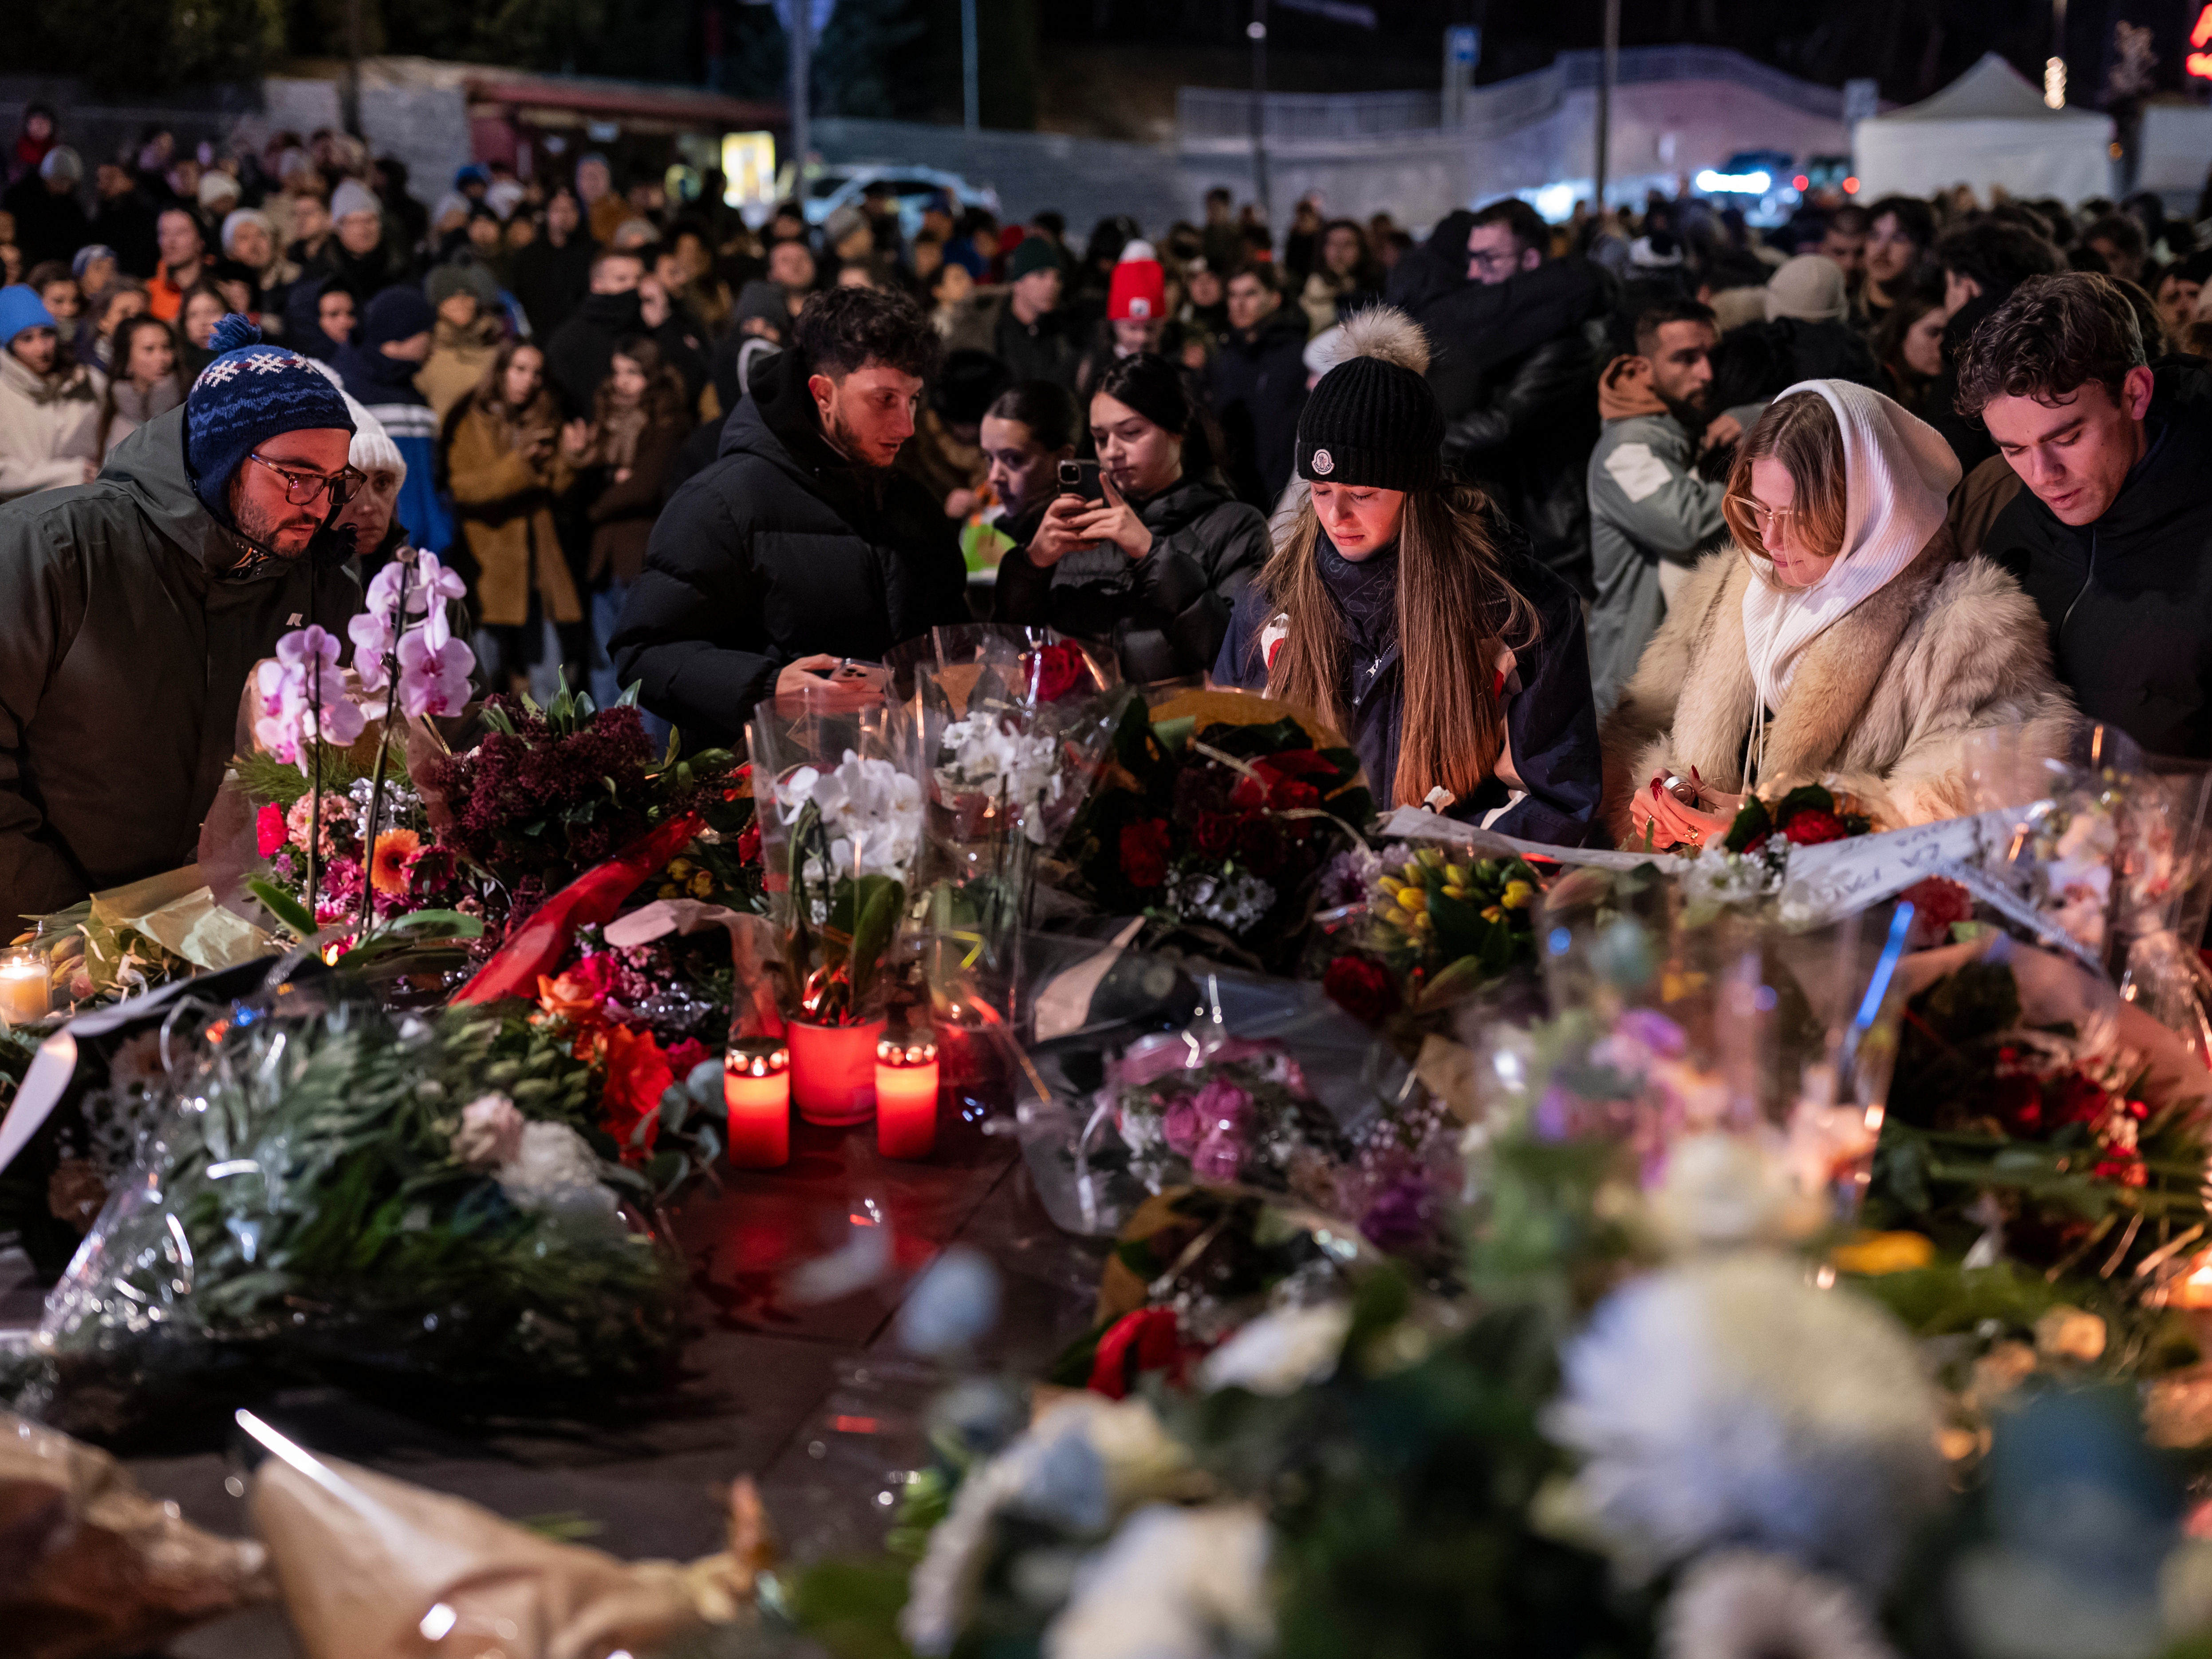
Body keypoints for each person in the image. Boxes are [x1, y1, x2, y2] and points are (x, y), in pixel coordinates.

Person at [1601, 381, 2071, 847]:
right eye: (1760, 509)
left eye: (1795, 514)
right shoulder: (1717, 589)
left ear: (1870, 502)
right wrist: (1664, 798)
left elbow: (1970, 813)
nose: (1768, 541)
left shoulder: (1971, 631)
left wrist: (1785, 832)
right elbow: (1640, 732)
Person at [0, 314, 360, 919]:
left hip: (234, 932)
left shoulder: (318, 582)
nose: (320, 507)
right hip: (50, 937)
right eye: (298, 477)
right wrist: (60, 921)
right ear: (222, 459)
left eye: (336, 481)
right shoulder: (50, 549)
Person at [1214, 308, 1602, 845]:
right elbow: (1226, 774)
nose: (1335, 516)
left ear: (1415, 490)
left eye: (1364, 493)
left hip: (1443, 902)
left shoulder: (1519, 615)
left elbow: (1556, 802)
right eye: (1320, 492)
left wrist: (1420, 861)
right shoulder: (1268, 610)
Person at [609, 285, 970, 746]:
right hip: (768, 792)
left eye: (913, 400)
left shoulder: (912, 502)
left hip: (900, 779)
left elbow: (951, 642)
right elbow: (642, 650)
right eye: (884, 400)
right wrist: (765, 687)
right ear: (823, 393)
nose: (906, 426)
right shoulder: (722, 502)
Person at [1958, 273, 2212, 759]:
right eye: (2013, 449)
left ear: (2135, 394)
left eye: (2067, 438)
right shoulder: (2015, 526)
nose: (2042, 475)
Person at [998, 352, 1265, 680]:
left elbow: (1242, 663)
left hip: (1181, 723)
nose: (1112, 451)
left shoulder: (1234, 525)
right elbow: (1008, 648)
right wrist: (1032, 564)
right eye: (1100, 438)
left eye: (1131, 432)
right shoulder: (1077, 518)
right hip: (1079, 723)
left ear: (1176, 431)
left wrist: (1152, 555)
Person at [1432, 196, 1611, 598]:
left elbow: (1504, 422)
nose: (1473, 273)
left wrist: (1422, 441)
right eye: (1471, 259)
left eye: (1489, 259)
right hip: (1523, 525)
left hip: (1555, 534)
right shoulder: (1509, 331)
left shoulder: (1563, 341)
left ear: (1531, 260)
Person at [1585, 298, 1731, 714]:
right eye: (1685, 359)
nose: (1705, 373)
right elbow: (1684, 525)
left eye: (1710, 356)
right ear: (1641, 368)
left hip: (1677, 680)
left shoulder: (1683, 428)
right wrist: (1757, 483)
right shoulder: (1625, 449)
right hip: (1637, 690)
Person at [440, 338, 588, 694]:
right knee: (481, 679)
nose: (529, 380)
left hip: (540, 569)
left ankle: (553, 750)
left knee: (552, 682)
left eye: (537, 373)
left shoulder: (545, 417)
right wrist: (519, 467)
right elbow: (464, 488)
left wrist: (571, 457)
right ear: (502, 371)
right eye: (520, 369)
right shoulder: (471, 417)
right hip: (490, 568)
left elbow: (558, 492)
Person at [580, 337, 692, 705]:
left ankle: (647, 755)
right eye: (617, 372)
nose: (621, 382)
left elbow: (645, 486)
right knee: (604, 662)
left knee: (641, 662)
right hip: (604, 559)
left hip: (641, 553)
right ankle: (609, 747)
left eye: (633, 373)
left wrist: (596, 506)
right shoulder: (605, 420)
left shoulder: (667, 421)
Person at [1924, 220, 2066, 473]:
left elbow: (1949, 460)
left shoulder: (1967, 344)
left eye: (1948, 286)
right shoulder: (2062, 333)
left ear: (1966, 286)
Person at [333, 285, 452, 555]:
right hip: (376, 550)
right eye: (428, 333)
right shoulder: (350, 392)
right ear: (404, 332)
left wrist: (442, 524)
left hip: (430, 547)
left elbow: (434, 479)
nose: (433, 344)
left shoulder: (415, 396)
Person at [1208, 263, 1309, 510]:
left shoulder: (1297, 355)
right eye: (1233, 295)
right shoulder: (1223, 356)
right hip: (1233, 493)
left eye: (1250, 294)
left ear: (1275, 299)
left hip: (1282, 491)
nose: (1239, 304)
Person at [0, 286, 105, 502]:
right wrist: (66, 476)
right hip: (21, 521)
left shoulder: (84, 382)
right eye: (27, 339)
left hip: (85, 510)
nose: (41, 348)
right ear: (9, 347)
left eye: (47, 335)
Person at [976, 378, 1080, 570]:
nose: (993, 477)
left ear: (1063, 459)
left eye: (1014, 459)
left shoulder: (1079, 542)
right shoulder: (1014, 528)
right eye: (990, 458)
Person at [417, 263, 507, 418]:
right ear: (437, 303)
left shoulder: (497, 347)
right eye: (450, 294)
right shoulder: (425, 352)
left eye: (468, 294)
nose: (461, 300)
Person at [510, 185, 595, 340]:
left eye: (570, 209)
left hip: (586, 333)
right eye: (557, 210)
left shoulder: (594, 253)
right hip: (543, 335)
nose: (564, 215)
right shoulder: (528, 257)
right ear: (547, 214)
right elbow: (522, 296)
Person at [98, 312, 182, 454]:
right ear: (127, 359)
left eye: (167, 347)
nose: (162, 358)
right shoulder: (105, 411)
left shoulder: (190, 407)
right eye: (149, 349)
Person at [1, 146, 88, 270]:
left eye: (68, 182)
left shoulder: (72, 209)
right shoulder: (19, 198)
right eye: (61, 180)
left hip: (56, 268)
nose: (65, 187)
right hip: (22, 264)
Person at [1860, 197, 1936, 330]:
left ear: (1922, 250)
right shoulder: (1842, 310)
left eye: (1899, 238)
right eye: (1875, 236)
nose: (1882, 249)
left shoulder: (1930, 320)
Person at [1871, 284, 1948, 415]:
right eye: (1933, 333)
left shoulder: (1946, 390)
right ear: (1901, 333)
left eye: (1949, 335)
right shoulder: (1875, 387)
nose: (1944, 344)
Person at [1297, 218, 1382, 337]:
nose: (1339, 250)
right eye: (1332, 244)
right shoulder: (1308, 293)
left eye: (1348, 244)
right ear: (1323, 249)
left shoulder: (1376, 291)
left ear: (1362, 250)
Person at [145, 208, 209, 323]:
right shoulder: (148, 294)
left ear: (201, 242)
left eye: (180, 233)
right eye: (164, 233)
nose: (170, 241)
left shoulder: (219, 289)